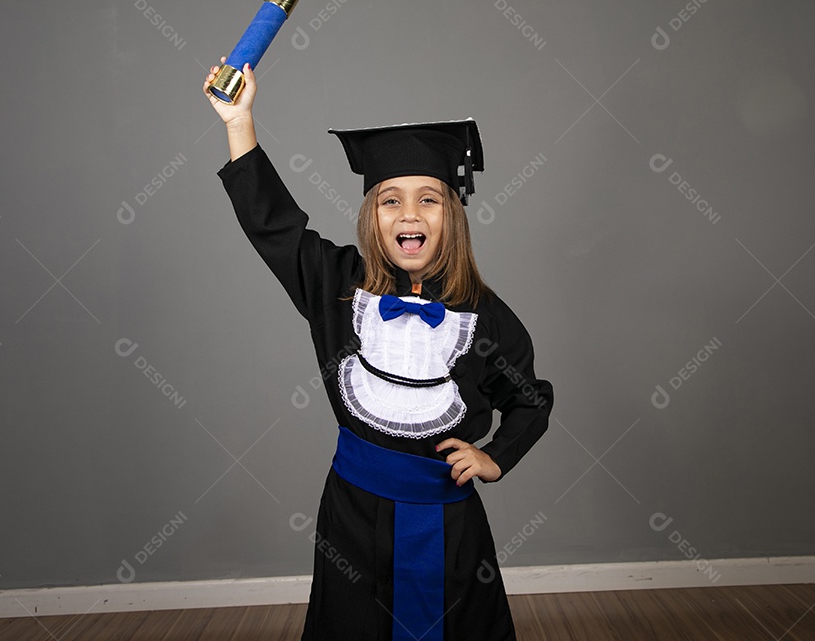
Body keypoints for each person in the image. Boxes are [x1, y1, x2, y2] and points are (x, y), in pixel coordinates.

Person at [204, 59, 553, 641]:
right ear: (371, 215)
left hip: (448, 518)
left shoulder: (486, 315)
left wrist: (496, 457)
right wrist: (240, 122)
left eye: (429, 200)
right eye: (390, 200)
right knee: (352, 623)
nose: (409, 214)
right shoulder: (336, 284)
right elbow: (276, 228)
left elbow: (531, 399)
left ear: (454, 216)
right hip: (353, 512)